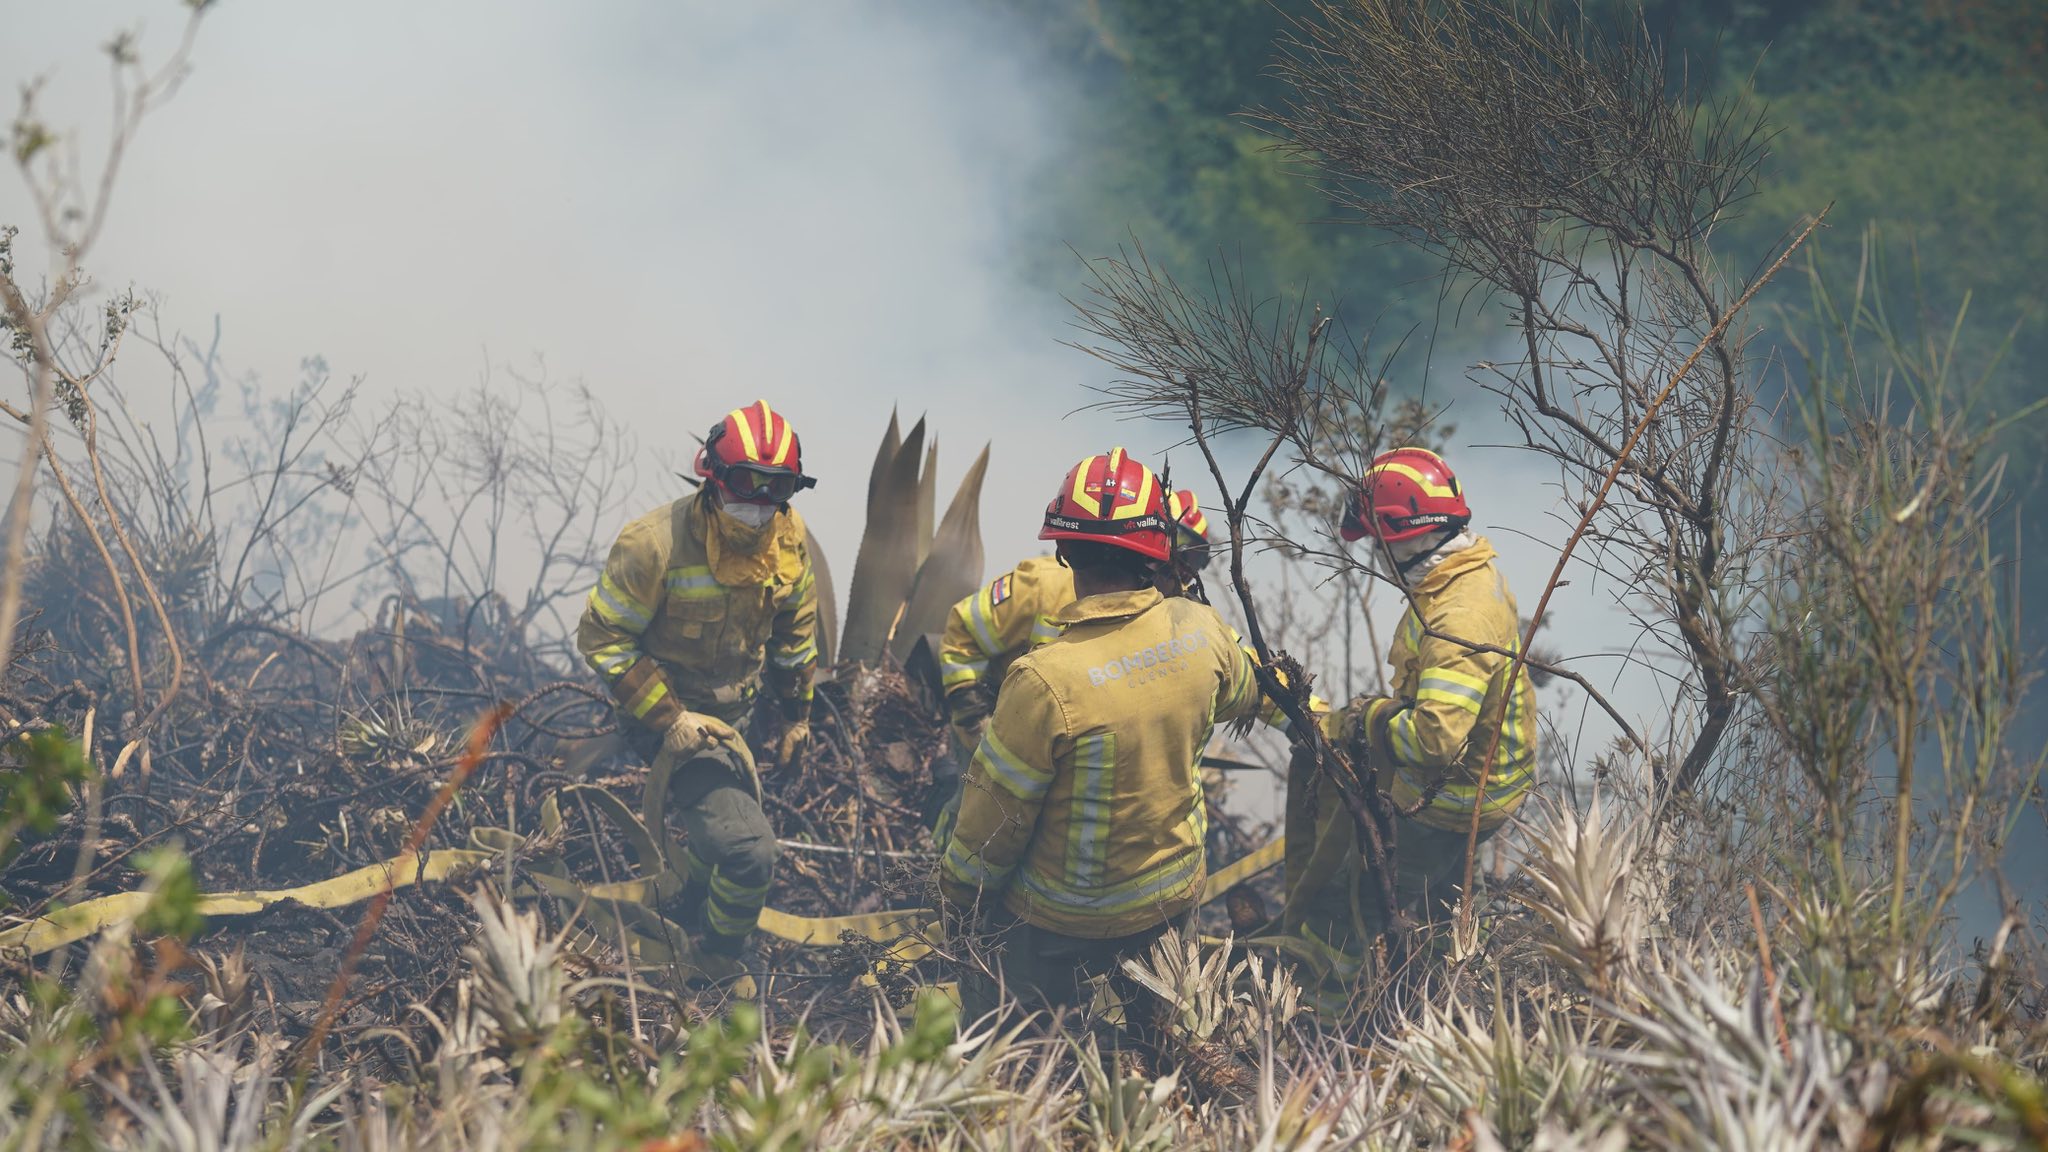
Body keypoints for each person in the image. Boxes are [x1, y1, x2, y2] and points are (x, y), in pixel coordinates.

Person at [936, 450, 1267, 1026]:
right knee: (1166, 1051)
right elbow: (1251, 693)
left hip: (1054, 922)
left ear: (1065, 550)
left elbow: (993, 822)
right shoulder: (1203, 631)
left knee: (1018, 1054)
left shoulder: (1041, 680)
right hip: (1168, 901)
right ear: (1158, 553)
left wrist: (959, 904)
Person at [575, 400, 819, 988]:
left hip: (741, 714)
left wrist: (796, 716)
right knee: (748, 851)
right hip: (665, 716)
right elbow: (603, 637)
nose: (757, 505)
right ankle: (716, 960)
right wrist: (669, 719)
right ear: (712, 477)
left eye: (776, 489)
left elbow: (796, 634)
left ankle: (688, 910)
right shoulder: (653, 544)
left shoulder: (789, 542)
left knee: (719, 835)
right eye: (744, 484)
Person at [1283, 447, 1538, 1006]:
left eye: (1377, 540)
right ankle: (1434, 991)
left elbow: (1434, 740)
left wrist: (1364, 720)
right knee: (1437, 905)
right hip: (1489, 782)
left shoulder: (1456, 615)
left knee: (1346, 907)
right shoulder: (1466, 577)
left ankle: (1323, 1020)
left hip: (1454, 794)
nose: (1375, 554)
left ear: (1406, 536)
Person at [937, 490, 1214, 758]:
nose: (1179, 574)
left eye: (1192, 563)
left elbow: (1235, 662)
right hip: (999, 729)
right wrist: (973, 716)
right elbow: (965, 630)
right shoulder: (1043, 585)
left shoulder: (1179, 627)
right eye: (1175, 555)